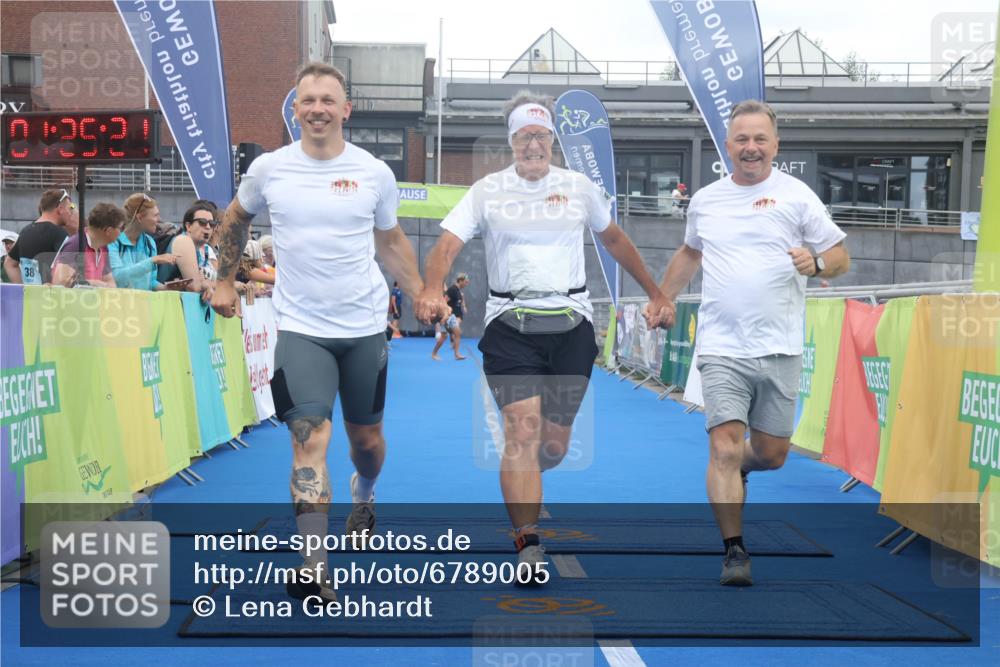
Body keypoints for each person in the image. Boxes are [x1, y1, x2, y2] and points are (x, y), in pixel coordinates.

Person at [414, 91, 673, 584]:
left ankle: (526, 481)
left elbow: (614, 239)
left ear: (552, 140)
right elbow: (446, 244)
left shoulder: (578, 187)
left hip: (571, 324)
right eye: (524, 135)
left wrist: (656, 292)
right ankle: (527, 543)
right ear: (511, 140)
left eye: (541, 135)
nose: (533, 144)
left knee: (551, 446)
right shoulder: (487, 190)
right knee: (523, 433)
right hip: (510, 324)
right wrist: (431, 288)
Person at [210, 62, 430, 604]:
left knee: (366, 445)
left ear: (345, 109)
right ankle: (313, 563)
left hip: (362, 330)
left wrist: (422, 289)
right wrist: (221, 279)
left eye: (327, 100)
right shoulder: (269, 169)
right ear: (296, 110)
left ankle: (366, 490)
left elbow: (392, 242)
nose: (316, 110)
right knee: (308, 440)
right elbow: (234, 219)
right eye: (307, 101)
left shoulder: (374, 173)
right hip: (301, 329)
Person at [656, 100, 850, 586]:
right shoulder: (706, 200)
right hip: (721, 345)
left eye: (760, 139)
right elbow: (688, 251)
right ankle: (734, 551)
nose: (751, 148)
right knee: (722, 445)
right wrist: (663, 297)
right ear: (728, 146)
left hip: (780, 347)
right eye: (742, 139)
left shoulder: (797, 196)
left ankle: (742, 466)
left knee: (770, 454)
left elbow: (841, 254)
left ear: (775, 145)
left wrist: (818, 264)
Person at [3, 188, 79, 285]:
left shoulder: (25, 231)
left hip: (31, 298)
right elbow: (66, 274)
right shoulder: (59, 234)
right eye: (70, 208)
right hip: (51, 298)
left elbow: (9, 264)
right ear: (60, 209)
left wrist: (25, 288)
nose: (71, 212)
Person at [108, 193, 178, 291]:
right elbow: (117, 278)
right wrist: (152, 261)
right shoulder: (113, 242)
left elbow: (151, 282)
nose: (159, 219)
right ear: (140, 217)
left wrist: (165, 287)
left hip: (143, 305)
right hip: (120, 304)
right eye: (155, 215)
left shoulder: (150, 243)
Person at [51, 202, 125, 288]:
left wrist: (93, 284)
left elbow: (112, 285)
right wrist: (95, 284)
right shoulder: (75, 244)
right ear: (108, 230)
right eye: (121, 228)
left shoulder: (104, 248)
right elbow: (60, 281)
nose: (121, 232)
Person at [156, 202, 219, 300]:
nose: (208, 227)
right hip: (165, 306)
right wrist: (208, 285)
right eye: (202, 222)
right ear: (188, 226)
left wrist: (205, 283)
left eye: (212, 224)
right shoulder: (184, 241)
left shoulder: (196, 249)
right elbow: (194, 286)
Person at [431, 274, 469, 360]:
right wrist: (444, 315)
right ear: (460, 281)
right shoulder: (452, 289)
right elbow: (444, 301)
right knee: (457, 333)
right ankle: (456, 354)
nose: (466, 284)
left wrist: (463, 306)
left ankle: (434, 353)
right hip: (448, 315)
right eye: (465, 282)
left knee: (444, 336)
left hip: (450, 316)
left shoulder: (458, 291)